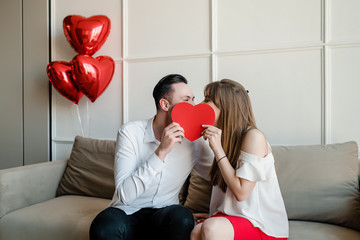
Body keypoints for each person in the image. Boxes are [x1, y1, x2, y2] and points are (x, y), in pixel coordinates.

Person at [89, 74, 212, 240]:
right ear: (165, 104)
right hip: (127, 212)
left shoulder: (194, 143)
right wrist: (161, 152)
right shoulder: (130, 132)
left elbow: (218, 179)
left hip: (166, 213)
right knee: (104, 227)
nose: (193, 106)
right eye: (187, 100)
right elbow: (125, 196)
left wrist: (217, 215)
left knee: (182, 216)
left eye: (193, 99)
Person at [191, 79, 289, 240]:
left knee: (211, 228)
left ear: (225, 106)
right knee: (196, 231)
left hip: (260, 224)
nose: (201, 104)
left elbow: (241, 193)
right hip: (230, 219)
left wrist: (217, 149)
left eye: (207, 99)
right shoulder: (223, 139)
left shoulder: (254, 137)